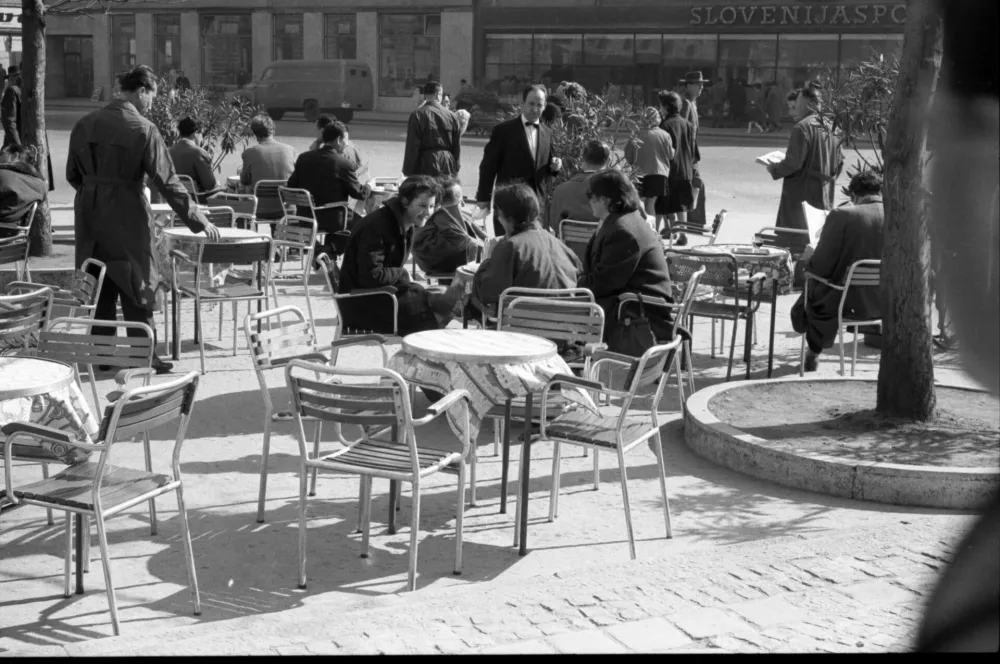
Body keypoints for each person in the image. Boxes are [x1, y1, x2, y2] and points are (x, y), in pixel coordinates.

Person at [66, 65, 219, 374]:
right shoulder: (143, 128)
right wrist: (199, 220)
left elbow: (72, 174)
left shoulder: (84, 124)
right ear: (141, 91)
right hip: (127, 213)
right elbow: (168, 182)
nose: (152, 103)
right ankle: (144, 354)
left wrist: (96, 190)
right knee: (138, 281)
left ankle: (102, 356)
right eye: (152, 96)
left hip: (90, 212)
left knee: (100, 283)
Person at [336, 175, 458, 335]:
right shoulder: (378, 227)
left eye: (432, 206)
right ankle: (423, 355)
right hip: (363, 306)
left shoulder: (403, 222)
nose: (428, 212)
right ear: (405, 202)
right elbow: (372, 275)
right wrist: (402, 273)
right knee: (440, 315)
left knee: (447, 298)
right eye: (423, 205)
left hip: (382, 295)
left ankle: (424, 355)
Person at [790, 171, 884, 372]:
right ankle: (812, 352)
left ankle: (813, 352)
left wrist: (808, 260)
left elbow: (822, 265)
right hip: (883, 302)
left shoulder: (843, 215)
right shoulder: (897, 215)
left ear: (853, 195)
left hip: (845, 301)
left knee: (811, 286)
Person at [577, 169, 674, 342]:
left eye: (590, 196)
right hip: (633, 305)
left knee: (562, 311)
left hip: (641, 316)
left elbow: (604, 283)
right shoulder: (624, 220)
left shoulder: (623, 230)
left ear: (605, 199)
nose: (589, 201)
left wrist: (570, 281)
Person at [471, 183, 581, 315]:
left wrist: (488, 260)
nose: (498, 219)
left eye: (497, 214)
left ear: (508, 217)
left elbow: (486, 292)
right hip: (567, 328)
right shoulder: (562, 247)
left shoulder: (510, 246)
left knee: (469, 302)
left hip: (522, 327)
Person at [476, 84, 563, 236]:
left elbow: (547, 167)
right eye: (531, 104)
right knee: (508, 250)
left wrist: (555, 166)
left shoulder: (547, 133)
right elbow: (488, 167)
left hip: (537, 206)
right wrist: (483, 198)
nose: (535, 109)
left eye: (540, 105)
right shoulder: (503, 131)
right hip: (509, 205)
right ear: (522, 104)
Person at [286, 120, 369, 261]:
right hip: (332, 219)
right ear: (338, 140)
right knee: (366, 227)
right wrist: (369, 186)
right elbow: (359, 194)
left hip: (305, 217)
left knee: (344, 218)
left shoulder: (304, 157)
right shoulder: (342, 163)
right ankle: (328, 250)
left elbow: (291, 186)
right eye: (346, 140)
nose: (347, 144)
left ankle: (325, 253)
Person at [767, 83, 844, 231]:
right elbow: (839, 164)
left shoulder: (802, 127)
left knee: (794, 238)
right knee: (817, 237)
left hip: (801, 197)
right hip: (825, 195)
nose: (794, 110)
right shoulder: (833, 127)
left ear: (809, 105)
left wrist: (774, 168)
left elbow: (793, 163)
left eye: (798, 105)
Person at [412, 175, 486, 278]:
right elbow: (467, 242)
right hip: (440, 260)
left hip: (429, 260)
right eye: (460, 201)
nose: (463, 204)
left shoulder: (431, 211)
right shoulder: (443, 214)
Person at [239, 114, 296, 221]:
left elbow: (245, 181)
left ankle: (249, 235)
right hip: (287, 207)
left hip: (259, 209)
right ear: (273, 131)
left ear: (255, 134)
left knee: (240, 190)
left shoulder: (250, 153)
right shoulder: (290, 149)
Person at [658, 90, 697, 244]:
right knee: (682, 206)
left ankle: (667, 232)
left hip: (670, 171)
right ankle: (682, 234)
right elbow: (693, 151)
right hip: (686, 171)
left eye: (661, 106)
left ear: (666, 107)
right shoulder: (688, 124)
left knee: (664, 205)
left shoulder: (664, 125)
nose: (660, 109)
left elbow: (663, 152)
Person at [628, 107, 674, 234]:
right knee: (651, 204)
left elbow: (629, 157)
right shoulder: (665, 135)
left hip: (639, 174)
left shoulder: (636, 134)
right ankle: (651, 233)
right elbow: (670, 155)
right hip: (658, 174)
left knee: (640, 204)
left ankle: (640, 233)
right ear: (658, 119)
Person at [548, 139, 610, 232]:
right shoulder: (616, 190)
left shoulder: (561, 190)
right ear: (608, 161)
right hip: (605, 245)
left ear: (583, 160)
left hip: (569, 246)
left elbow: (554, 227)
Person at [402, 81, 461, 178]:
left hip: (426, 163)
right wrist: (456, 166)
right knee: (445, 191)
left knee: (428, 191)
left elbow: (412, 145)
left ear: (425, 95)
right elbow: (456, 145)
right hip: (447, 162)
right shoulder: (452, 116)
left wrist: (408, 171)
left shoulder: (417, 115)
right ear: (438, 95)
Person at [168, 117, 221, 203]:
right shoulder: (199, 153)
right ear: (194, 134)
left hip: (176, 199)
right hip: (197, 200)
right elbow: (209, 185)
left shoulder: (169, 152)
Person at [0, 143, 47, 238]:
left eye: (1, 155)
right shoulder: (40, 184)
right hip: (14, 230)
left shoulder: (3, 175)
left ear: (14, 156)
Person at [680, 71, 707, 233]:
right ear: (688, 85)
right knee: (696, 184)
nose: (701, 87)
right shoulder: (685, 103)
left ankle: (693, 223)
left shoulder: (692, 102)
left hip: (691, 153)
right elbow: (681, 129)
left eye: (702, 84)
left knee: (694, 186)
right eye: (698, 84)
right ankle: (694, 224)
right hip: (687, 153)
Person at [1, 67, 21, 149]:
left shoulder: (11, 90)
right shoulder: (23, 88)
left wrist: (17, 147)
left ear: (13, 77)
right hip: (17, 137)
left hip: (16, 138)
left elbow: (10, 121)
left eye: (8, 78)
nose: (8, 81)